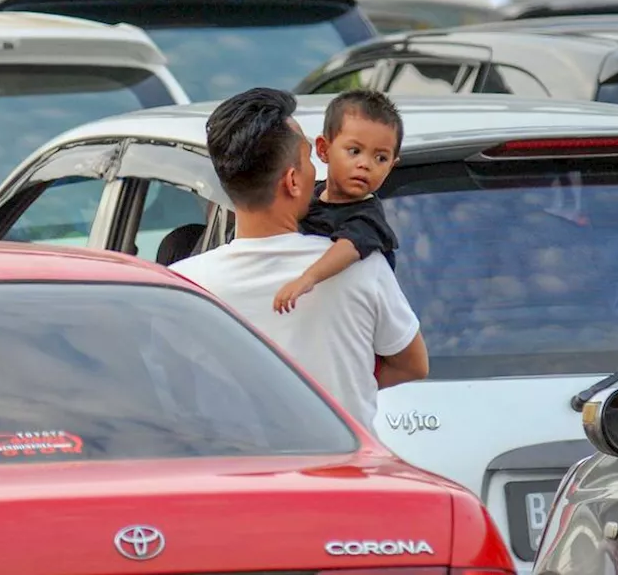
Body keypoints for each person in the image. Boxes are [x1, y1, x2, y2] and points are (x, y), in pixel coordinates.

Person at [169, 87, 428, 428]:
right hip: (341, 474)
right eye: (308, 159)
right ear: (292, 181)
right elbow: (413, 365)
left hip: (231, 473)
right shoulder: (362, 267)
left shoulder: (180, 287)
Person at [272, 89, 401, 314]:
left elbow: (348, 247)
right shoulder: (312, 194)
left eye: (381, 158)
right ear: (323, 149)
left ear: (391, 167)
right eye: (355, 151)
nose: (365, 164)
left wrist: (307, 278)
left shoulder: (368, 216)